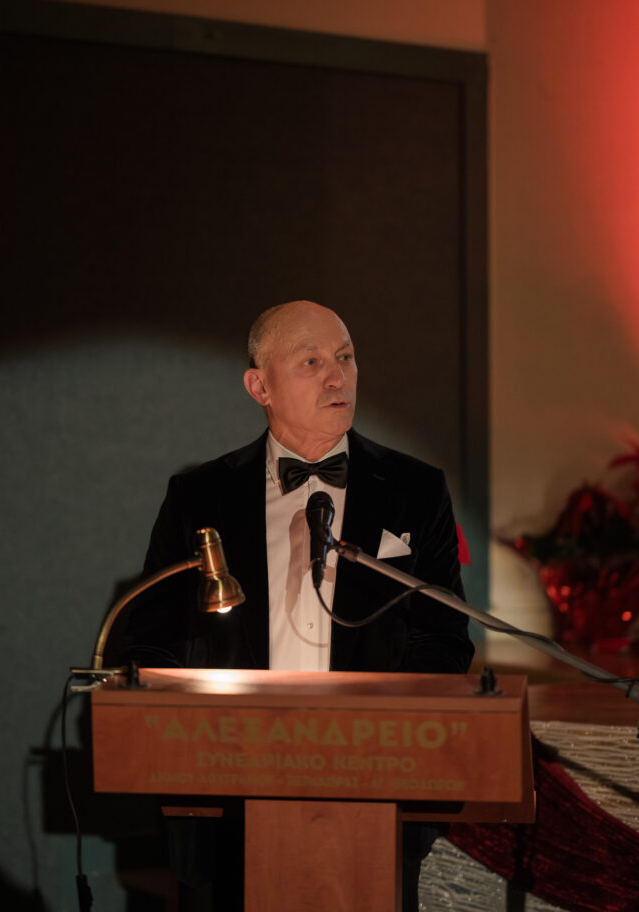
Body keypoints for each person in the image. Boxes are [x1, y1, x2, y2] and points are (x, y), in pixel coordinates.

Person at [127, 300, 474, 910]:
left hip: (376, 791)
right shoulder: (199, 496)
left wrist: (382, 744)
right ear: (259, 387)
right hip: (229, 798)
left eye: (346, 357)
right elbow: (153, 640)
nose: (337, 376)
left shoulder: (416, 490)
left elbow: (443, 641)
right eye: (311, 361)